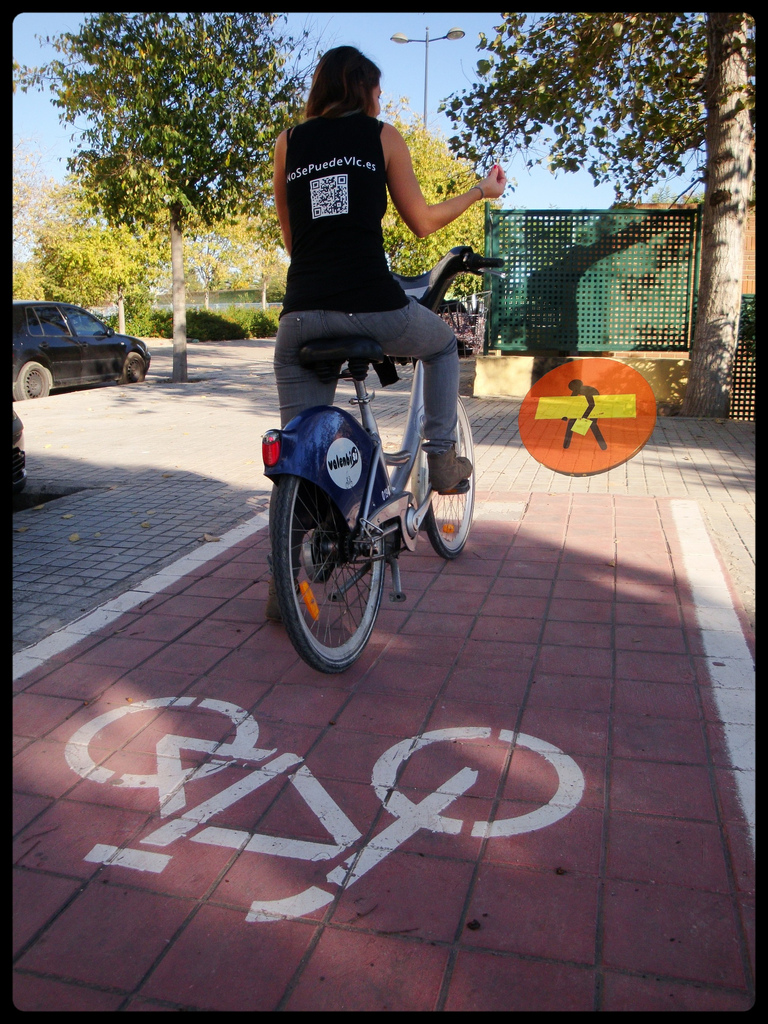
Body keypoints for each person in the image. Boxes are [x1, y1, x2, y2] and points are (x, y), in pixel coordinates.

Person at [267, 45, 506, 620]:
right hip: (372, 304)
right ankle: (444, 459)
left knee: (301, 456)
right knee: (444, 343)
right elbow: (422, 223)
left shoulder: (288, 143)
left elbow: (293, 241)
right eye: (377, 91)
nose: (380, 100)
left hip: (298, 320)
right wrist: (480, 191)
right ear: (364, 90)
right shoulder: (382, 136)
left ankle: (284, 593)